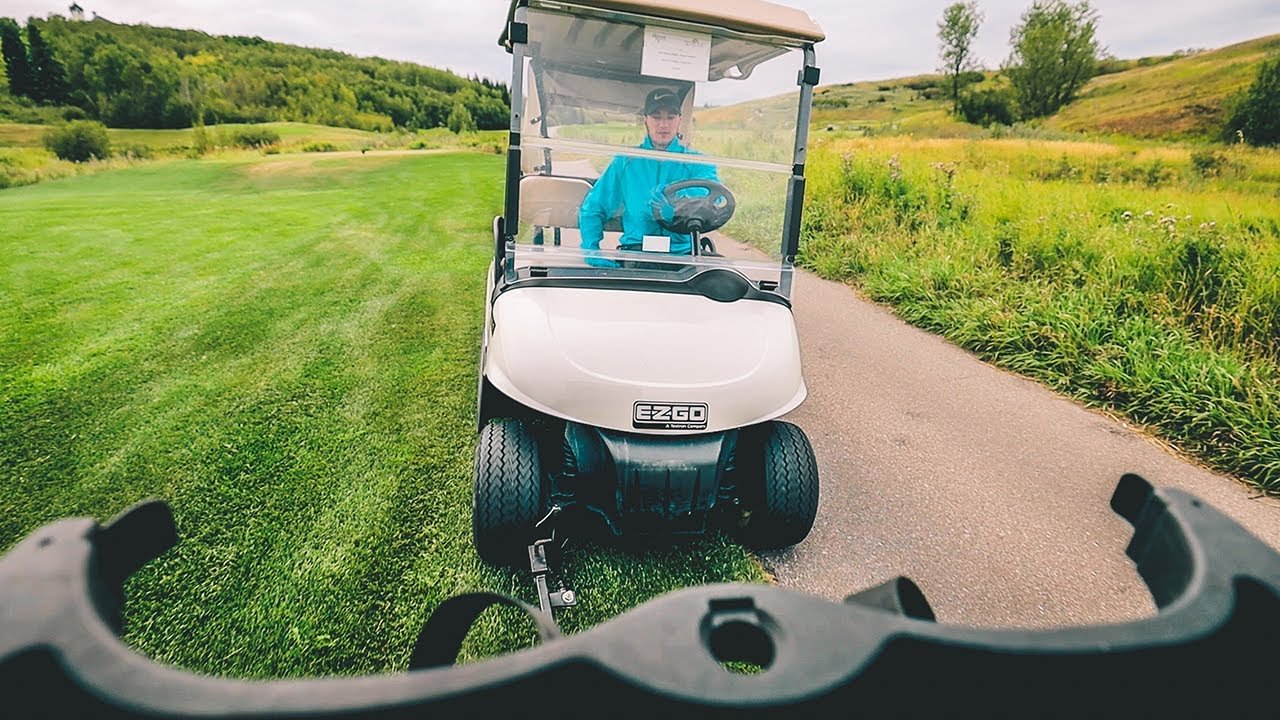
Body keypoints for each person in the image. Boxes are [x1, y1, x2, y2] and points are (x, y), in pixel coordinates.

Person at [578, 87, 721, 257]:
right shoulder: (625, 161)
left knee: (727, 281)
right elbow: (593, 206)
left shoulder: (698, 163)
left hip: (684, 253)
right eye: (656, 116)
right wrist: (591, 249)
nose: (663, 124)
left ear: (680, 120)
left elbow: (712, 201)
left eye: (671, 117)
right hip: (637, 251)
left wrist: (677, 210)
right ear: (645, 120)